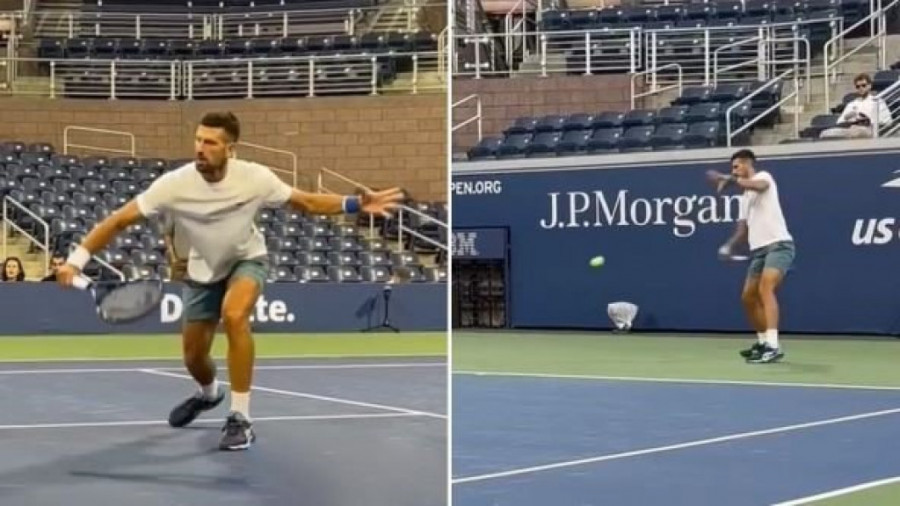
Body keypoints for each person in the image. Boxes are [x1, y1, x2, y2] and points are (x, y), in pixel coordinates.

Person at [56, 111, 403, 450]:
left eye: (210, 143)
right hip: (202, 269)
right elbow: (118, 220)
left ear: (230, 149)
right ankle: (209, 394)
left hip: (246, 259)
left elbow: (306, 202)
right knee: (194, 358)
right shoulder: (174, 185)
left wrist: (355, 203)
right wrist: (76, 262)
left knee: (235, 316)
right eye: (198, 140)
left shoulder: (254, 177)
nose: (200, 148)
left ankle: (240, 417)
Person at [708, 149, 795, 364]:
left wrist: (728, 179)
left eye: (737, 166)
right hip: (758, 252)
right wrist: (729, 246)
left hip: (779, 245)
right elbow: (742, 229)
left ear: (748, 164)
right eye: (732, 168)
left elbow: (759, 186)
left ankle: (773, 346)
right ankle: (763, 342)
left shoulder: (763, 177)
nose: (734, 170)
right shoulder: (744, 198)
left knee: (766, 288)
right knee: (748, 297)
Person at [819, 73, 892, 139]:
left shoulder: (877, 101)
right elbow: (840, 122)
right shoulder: (851, 104)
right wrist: (849, 118)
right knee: (824, 133)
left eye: (863, 85)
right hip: (851, 127)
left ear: (869, 86)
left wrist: (867, 120)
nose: (861, 88)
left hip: (869, 129)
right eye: (858, 86)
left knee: (857, 132)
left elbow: (887, 121)